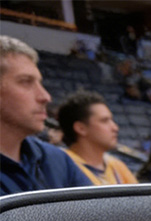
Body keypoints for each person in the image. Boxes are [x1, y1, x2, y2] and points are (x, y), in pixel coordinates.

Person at [0, 36, 92, 195]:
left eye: (39, 83)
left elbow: (99, 216)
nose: (45, 97)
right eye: (26, 82)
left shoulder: (57, 160)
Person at [57, 90, 137, 186]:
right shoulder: (61, 166)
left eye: (111, 120)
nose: (115, 128)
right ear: (81, 128)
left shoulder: (117, 166)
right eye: (104, 121)